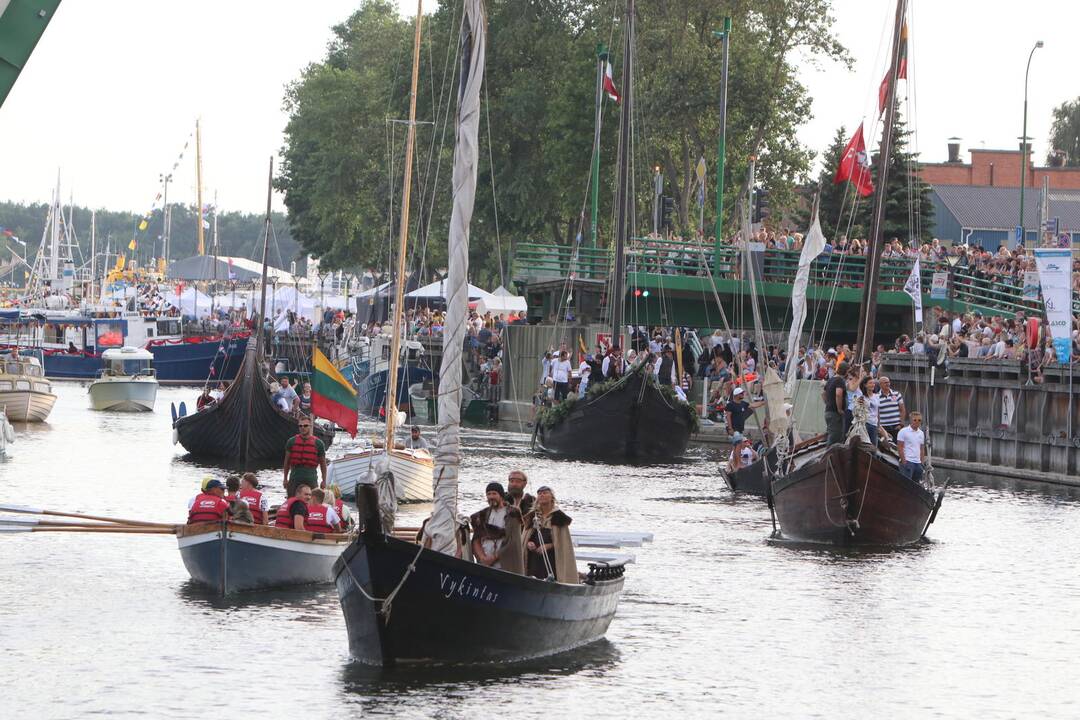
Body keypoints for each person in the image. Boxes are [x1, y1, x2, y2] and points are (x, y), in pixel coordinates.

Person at [523, 486, 577, 583]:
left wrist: (549, 545)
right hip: (534, 558)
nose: (542, 495)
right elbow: (526, 536)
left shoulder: (558, 517)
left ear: (552, 497)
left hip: (552, 559)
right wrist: (528, 543)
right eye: (539, 493)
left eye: (545, 493)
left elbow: (563, 543)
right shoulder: (533, 516)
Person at [470, 482, 514, 568]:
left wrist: (493, 557)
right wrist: (483, 558)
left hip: (504, 562)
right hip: (485, 562)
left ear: (501, 496)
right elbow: (476, 539)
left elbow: (512, 541)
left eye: (494, 493)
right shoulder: (482, 515)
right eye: (488, 494)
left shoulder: (512, 513)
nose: (491, 497)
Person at [283, 416, 327, 496]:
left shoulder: (319, 443)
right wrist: (285, 479)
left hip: (311, 478)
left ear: (310, 426)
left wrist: (324, 480)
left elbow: (323, 464)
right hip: (295, 478)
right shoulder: (291, 442)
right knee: (292, 501)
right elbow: (286, 462)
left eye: (305, 425)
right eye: (300, 426)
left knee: (312, 503)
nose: (303, 428)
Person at [896, 412, 927, 483]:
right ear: (910, 420)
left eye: (919, 420)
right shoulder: (903, 431)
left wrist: (921, 463)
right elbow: (900, 447)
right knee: (906, 484)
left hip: (918, 463)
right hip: (908, 461)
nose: (917, 422)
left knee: (916, 485)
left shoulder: (921, 433)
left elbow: (922, 449)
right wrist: (904, 462)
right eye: (915, 420)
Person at [823, 361, 848, 445]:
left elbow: (823, 394)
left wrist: (828, 403)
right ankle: (828, 456)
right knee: (835, 437)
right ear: (846, 371)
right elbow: (838, 394)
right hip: (835, 413)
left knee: (831, 435)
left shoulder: (831, 379)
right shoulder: (840, 380)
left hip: (828, 411)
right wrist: (839, 409)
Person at [877, 376, 906, 440]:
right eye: (885, 382)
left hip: (896, 426)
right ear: (880, 384)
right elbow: (876, 413)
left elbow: (902, 410)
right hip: (884, 427)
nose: (888, 384)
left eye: (888, 382)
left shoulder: (897, 394)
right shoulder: (876, 397)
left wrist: (901, 424)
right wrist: (879, 427)